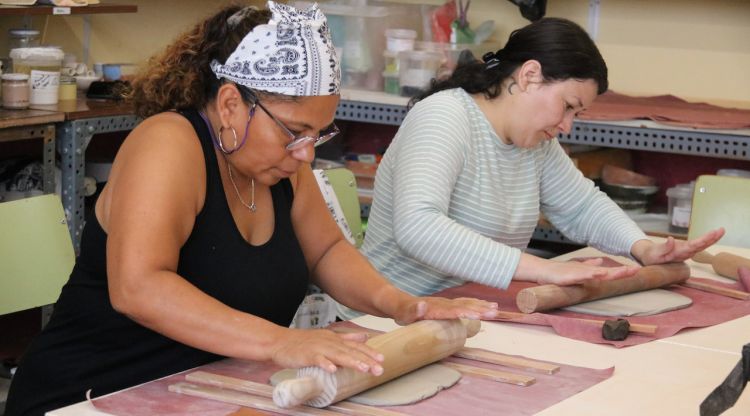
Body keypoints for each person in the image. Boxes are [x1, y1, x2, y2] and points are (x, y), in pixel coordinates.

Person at [5, 3, 499, 415]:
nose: (306, 153)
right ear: (230, 104)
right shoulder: (168, 145)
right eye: (293, 131)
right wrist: (279, 343)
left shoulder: (281, 162)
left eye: (316, 133)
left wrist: (401, 305)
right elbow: (139, 288)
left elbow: (325, 251)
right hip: (94, 396)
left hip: (207, 391)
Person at [338, 17, 723, 319]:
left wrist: (640, 246)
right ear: (529, 76)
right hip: (389, 321)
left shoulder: (534, 142)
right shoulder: (444, 118)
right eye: (568, 106)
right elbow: (418, 227)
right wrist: (541, 270)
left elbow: (582, 206)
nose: (568, 125)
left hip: (470, 315)